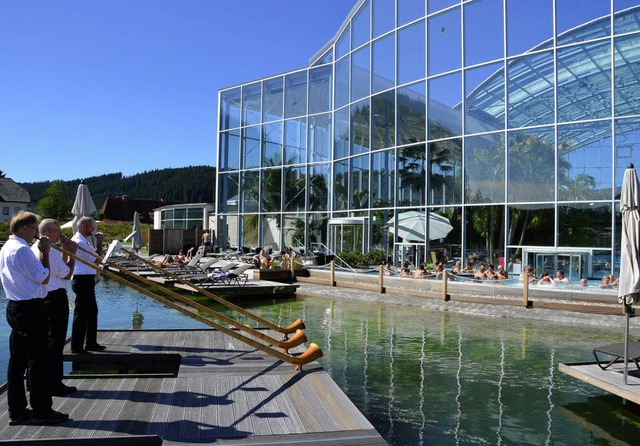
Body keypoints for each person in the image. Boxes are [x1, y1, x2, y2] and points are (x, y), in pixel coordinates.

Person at [0, 211, 69, 425]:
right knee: (38, 361)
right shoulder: (21, 250)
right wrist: (46, 253)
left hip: (16, 306)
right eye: (33, 229)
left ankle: (17, 410)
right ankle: (41, 409)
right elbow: (44, 277)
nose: (35, 234)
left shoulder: (7, 247)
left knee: (17, 361)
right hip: (29, 309)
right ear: (23, 229)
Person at [31, 219, 78, 397]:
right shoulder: (49, 251)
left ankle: (46, 381)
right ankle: (54, 383)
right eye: (58, 232)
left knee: (48, 341)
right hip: (54, 298)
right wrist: (72, 254)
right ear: (49, 233)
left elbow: (59, 268)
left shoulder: (38, 248)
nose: (60, 235)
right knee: (56, 342)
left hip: (44, 297)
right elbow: (66, 274)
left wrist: (65, 251)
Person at [70, 216, 105, 354]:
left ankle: (90, 343)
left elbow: (96, 257)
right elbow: (97, 259)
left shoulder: (83, 240)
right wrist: (100, 242)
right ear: (84, 226)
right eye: (91, 227)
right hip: (82, 280)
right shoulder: (79, 241)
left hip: (86, 280)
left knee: (91, 312)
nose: (93, 230)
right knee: (82, 314)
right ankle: (77, 346)